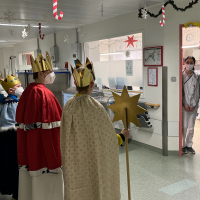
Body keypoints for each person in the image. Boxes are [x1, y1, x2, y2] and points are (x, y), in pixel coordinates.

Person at [60, 58, 130, 200]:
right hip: (95, 165)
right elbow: (107, 140)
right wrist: (122, 136)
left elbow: (63, 139)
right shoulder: (96, 108)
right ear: (92, 84)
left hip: (76, 165)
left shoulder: (68, 106)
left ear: (75, 83)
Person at [15, 52, 64, 200]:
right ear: (42, 74)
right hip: (45, 153)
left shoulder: (27, 92)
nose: (52, 75)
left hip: (30, 151)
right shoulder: (44, 94)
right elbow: (52, 131)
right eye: (50, 72)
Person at [0, 74, 24, 200]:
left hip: (7, 136)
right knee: (15, 164)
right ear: (11, 90)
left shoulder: (5, 102)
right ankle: (17, 192)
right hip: (13, 137)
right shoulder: (12, 103)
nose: (21, 88)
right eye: (18, 86)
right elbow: (17, 120)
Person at [182, 56, 200, 154]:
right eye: (187, 62)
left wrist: (194, 104)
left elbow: (197, 92)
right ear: (184, 63)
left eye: (191, 62)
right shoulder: (181, 75)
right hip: (184, 107)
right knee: (184, 127)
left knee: (191, 127)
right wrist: (185, 104)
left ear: (194, 64)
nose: (189, 64)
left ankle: (189, 145)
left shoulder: (197, 76)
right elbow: (180, 92)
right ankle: (183, 145)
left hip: (193, 106)